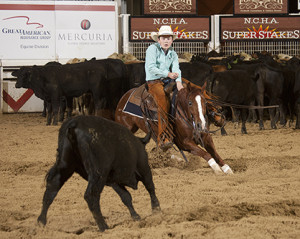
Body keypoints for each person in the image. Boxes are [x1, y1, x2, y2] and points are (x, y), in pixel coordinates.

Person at [145, 25, 184, 151]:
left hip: (168, 80)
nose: (166, 41)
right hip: (154, 81)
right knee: (162, 100)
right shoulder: (152, 49)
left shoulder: (173, 53)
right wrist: (167, 74)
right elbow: (151, 68)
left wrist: (178, 82)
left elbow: (177, 68)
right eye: (164, 38)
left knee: (186, 90)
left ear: (172, 40)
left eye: (169, 38)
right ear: (159, 39)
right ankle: (164, 137)